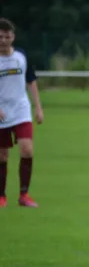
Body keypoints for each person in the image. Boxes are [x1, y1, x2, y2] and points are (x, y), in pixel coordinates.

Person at [0, 17, 44, 208]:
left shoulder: (21, 56)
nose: (3, 40)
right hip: (1, 112)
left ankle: (24, 195)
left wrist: (38, 107)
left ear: (13, 37)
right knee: (2, 155)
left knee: (27, 149)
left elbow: (31, 81)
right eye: (0, 37)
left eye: (6, 36)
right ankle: (1, 196)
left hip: (21, 109)